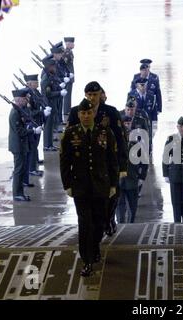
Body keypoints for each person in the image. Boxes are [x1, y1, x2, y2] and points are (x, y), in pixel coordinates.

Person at [60, 98, 118, 277]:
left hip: (101, 186)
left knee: (99, 222)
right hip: (81, 187)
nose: (86, 116)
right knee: (85, 224)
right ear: (78, 115)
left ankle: (95, 249)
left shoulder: (104, 132)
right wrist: (67, 184)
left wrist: (114, 184)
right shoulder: (71, 134)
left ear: (93, 113)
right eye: (82, 113)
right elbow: (64, 161)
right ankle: (87, 260)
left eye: (89, 113)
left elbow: (112, 160)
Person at [67, 81, 128, 237]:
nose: (93, 98)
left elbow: (121, 140)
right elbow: (67, 141)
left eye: (95, 94)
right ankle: (96, 228)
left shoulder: (111, 112)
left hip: (108, 164)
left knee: (112, 196)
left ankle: (108, 219)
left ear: (101, 94)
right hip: (85, 164)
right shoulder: (76, 112)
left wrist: (122, 167)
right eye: (89, 95)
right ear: (85, 95)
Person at [9, 89, 42, 201]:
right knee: (19, 170)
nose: (26, 100)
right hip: (18, 146)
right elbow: (20, 131)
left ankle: (20, 192)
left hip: (21, 145)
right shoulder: (15, 113)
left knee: (22, 168)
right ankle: (17, 194)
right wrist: (33, 131)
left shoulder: (18, 111)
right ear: (19, 100)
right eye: (24, 99)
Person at [116, 115, 149, 223]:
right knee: (119, 206)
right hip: (119, 180)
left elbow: (144, 162)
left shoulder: (137, 145)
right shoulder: (116, 144)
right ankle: (120, 225)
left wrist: (141, 177)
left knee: (132, 206)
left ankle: (131, 226)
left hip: (132, 180)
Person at [41, 56, 67, 151]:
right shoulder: (46, 78)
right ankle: (47, 145)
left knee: (51, 124)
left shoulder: (51, 76)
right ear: (49, 67)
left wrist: (59, 87)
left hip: (52, 103)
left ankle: (50, 144)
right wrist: (59, 93)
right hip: (48, 103)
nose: (55, 68)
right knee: (48, 126)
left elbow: (54, 87)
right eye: (53, 67)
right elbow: (47, 93)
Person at [63, 37, 75, 116]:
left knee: (69, 93)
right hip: (68, 76)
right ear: (68, 44)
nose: (73, 45)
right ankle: (67, 110)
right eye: (72, 43)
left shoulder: (69, 51)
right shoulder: (67, 52)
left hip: (70, 76)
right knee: (67, 94)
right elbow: (64, 65)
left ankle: (68, 109)